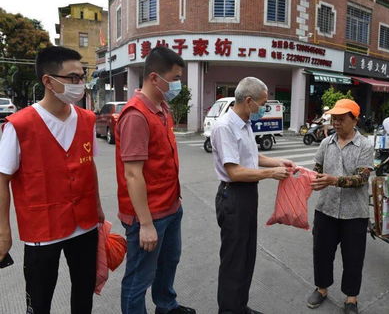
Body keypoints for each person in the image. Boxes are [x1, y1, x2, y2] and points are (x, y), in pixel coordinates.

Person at [0, 46, 105, 314]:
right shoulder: (20, 125)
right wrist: (3, 232)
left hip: (84, 224)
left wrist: (99, 209)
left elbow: (89, 164)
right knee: (40, 299)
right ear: (48, 81)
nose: (80, 84)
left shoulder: (87, 119)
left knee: (84, 295)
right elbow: (2, 179)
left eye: (82, 76)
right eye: (73, 78)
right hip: (42, 229)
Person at [115, 47, 195, 314]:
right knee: (139, 277)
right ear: (153, 78)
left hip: (171, 206)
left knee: (169, 262)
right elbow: (133, 173)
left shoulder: (162, 108)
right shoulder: (136, 115)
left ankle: (166, 305)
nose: (177, 85)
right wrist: (146, 224)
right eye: (174, 78)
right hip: (148, 215)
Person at [211, 77, 296, 314]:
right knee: (233, 260)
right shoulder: (225, 126)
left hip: (248, 194)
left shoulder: (245, 123)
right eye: (262, 103)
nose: (264, 108)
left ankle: (240, 306)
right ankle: (228, 310)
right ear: (249, 101)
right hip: (234, 196)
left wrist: (279, 161)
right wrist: (271, 173)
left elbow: (252, 157)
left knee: (247, 255)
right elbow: (235, 171)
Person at [306, 99, 374, 314]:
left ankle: (351, 298)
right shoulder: (326, 143)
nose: (336, 123)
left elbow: (361, 178)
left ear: (354, 120)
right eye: (334, 118)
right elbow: (317, 168)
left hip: (355, 213)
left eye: (341, 119)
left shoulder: (365, 145)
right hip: (326, 209)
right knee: (322, 253)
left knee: (353, 257)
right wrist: (313, 179)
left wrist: (332, 180)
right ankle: (322, 288)